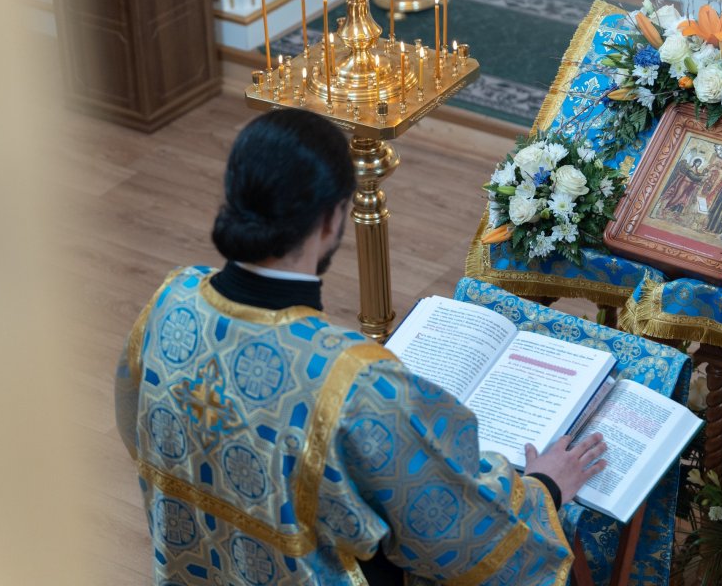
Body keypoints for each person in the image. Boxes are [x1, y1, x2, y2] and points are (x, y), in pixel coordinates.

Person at [114, 109, 607, 586]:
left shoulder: (168, 301)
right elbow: (458, 535)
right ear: (333, 220)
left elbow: (139, 430)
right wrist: (545, 487)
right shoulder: (355, 383)